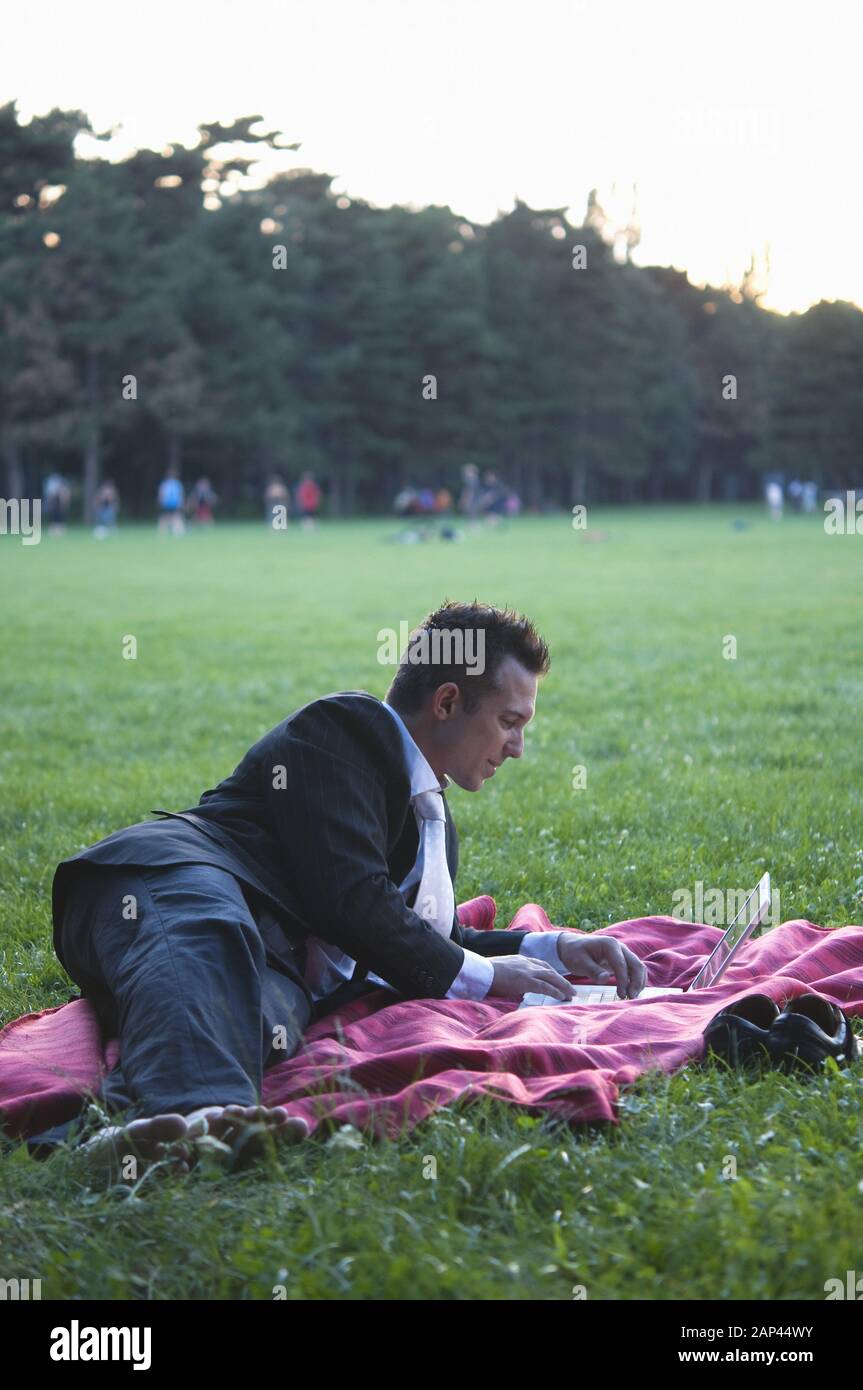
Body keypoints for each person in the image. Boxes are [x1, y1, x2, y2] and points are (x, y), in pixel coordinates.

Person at [27, 600, 646, 1177]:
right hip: (168, 882)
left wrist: (553, 950)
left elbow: (429, 940)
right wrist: (485, 978)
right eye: (510, 722)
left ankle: (131, 1133)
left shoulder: (432, 820)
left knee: (264, 1014)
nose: (518, 748)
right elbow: (351, 900)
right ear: (448, 701)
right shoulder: (344, 731)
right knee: (208, 938)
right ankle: (200, 1119)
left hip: (266, 950)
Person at [157, 467, 185, 535]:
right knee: (176, 516)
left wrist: (161, 501)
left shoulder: (164, 484)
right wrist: (181, 503)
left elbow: (161, 494)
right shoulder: (177, 483)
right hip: (174, 503)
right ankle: (178, 531)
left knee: (166, 516)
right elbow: (180, 495)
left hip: (167, 503)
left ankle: (162, 531)